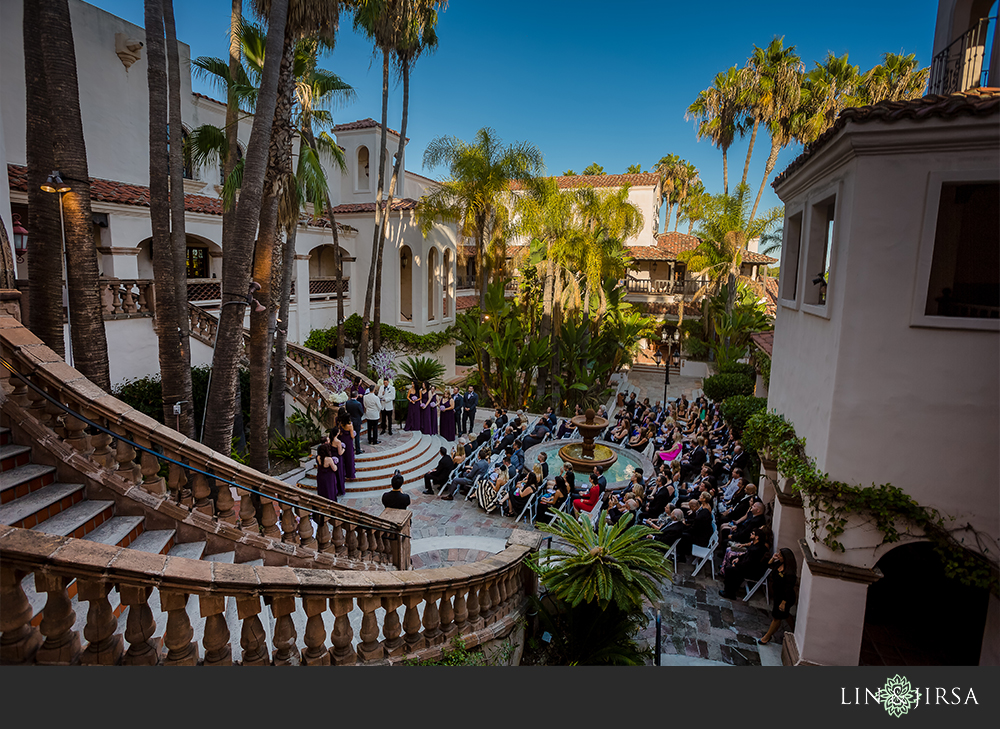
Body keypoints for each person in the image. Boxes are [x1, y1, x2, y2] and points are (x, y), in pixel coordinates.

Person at [719, 526, 772, 599]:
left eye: (752, 534)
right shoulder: (755, 545)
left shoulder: (758, 549)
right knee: (732, 559)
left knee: (730, 569)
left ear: (757, 537)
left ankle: (730, 593)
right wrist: (738, 558)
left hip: (752, 571)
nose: (750, 534)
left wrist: (736, 565)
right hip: (748, 566)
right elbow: (746, 555)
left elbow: (749, 563)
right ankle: (729, 588)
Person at [758, 548, 797, 645]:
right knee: (785, 614)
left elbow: (788, 589)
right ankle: (794, 629)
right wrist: (773, 559)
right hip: (778, 595)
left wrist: (784, 602)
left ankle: (766, 637)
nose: (778, 555)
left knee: (777, 617)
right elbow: (768, 566)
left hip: (785, 597)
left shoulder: (790, 574)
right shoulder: (779, 564)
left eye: (780, 555)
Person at [344, 390, 365, 455]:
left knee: (350, 435)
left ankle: (351, 448)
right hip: (357, 420)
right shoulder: (358, 404)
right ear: (356, 396)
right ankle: (358, 449)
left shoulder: (347, 402)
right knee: (357, 435)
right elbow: (361, 412)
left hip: (350, 420)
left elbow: (347, 411)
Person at [336, 413, 356, 480]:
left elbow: (340, 432)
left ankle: (344, 472)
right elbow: (352, 436)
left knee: (344, 456)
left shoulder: (341, 424)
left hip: (342, 439)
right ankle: (350, 473)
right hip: (348, 441)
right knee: (349, 457)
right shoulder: (350, 425)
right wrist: (354, 434)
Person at [330, 428, 347, 497]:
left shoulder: (329, 440)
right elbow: (340, 453)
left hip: (332, 457)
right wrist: (344, 449)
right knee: (339, 474)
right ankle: (340, 490)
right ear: (337, 433)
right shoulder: (338, 441)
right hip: (338, 458)